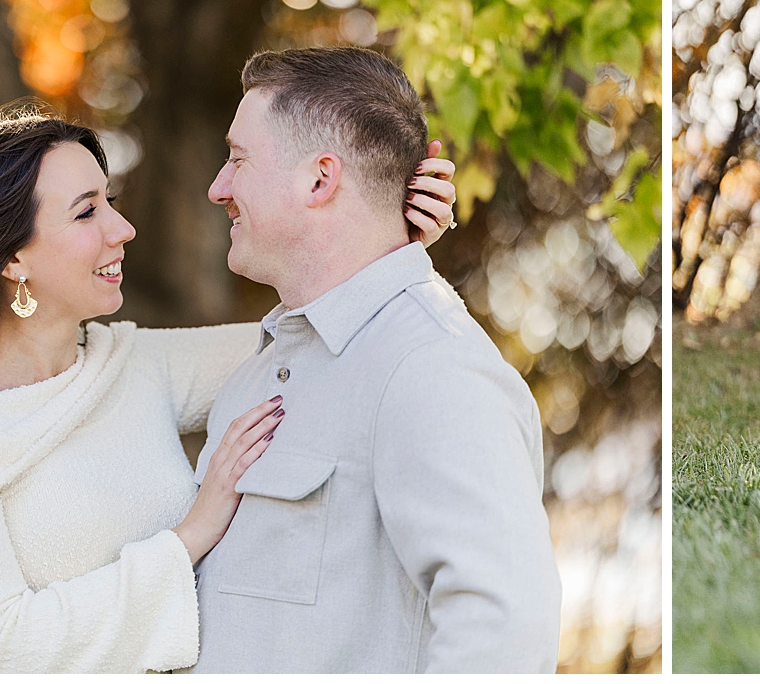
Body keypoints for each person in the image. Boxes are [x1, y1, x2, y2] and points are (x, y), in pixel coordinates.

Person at [0, 109, 456, 673]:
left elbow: (313, 340)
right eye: (86, 213)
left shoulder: (133, 364)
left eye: (108, 202)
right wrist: (190, 534)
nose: (123, 228)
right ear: (10, 258)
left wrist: (387, 240)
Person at [189, 48, 561, 671]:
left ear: (319, 179)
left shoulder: (431, 367)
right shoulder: (256, 371)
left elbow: (505, 624)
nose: (217, 187)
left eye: (238, 159)